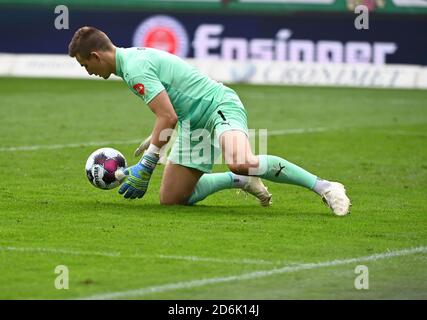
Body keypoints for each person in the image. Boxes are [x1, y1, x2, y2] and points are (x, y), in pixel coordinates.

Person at [68, 26, 351, 216]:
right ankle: (240, 181)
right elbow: (169, 109)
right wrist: (155, 139)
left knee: (240, 159)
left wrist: (148, 163)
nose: (88, 71)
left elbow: (168, 115)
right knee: (173, 199)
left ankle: (326, 187)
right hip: (194, 120)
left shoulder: (134, 68)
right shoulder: (129, 63)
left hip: (218, 106)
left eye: (85, 65)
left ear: (95, 55)